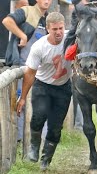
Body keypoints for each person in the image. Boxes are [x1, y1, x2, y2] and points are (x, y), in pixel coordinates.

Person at [16, 12, 72, 171]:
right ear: (48, 28)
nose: (59, 32)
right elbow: (30, 73)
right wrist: (22, 98)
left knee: (56, 126)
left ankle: (46, 159)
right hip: (43, 86)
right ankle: (34, 147)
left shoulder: (71, 38)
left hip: (63, 87)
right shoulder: (39, 47)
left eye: (61, 28)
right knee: (39, 115)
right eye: (55, 29)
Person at [3, 0, 52, 142]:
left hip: (41, 70)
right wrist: (22, 36)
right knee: (20, 104)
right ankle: (17, 141)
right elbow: (7, 21)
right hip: (22, 67)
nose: (47, 1)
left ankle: (38, 141)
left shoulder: (48, 18)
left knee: (42, 105)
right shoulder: (27, 11)